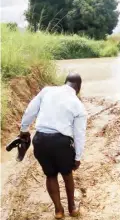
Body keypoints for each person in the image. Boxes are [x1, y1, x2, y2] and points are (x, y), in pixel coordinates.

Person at [20, 73, 87, 219]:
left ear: (65, 82)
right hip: (61, 143)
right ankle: (72, 208)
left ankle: (58, 211)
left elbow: (30, 110)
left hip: (41, 140)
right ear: (79, 88)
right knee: (67, 174)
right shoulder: (78, 104)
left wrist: (24, 130)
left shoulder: (47, 91)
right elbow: (79, 134)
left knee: (50, 175)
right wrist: (78, 157)